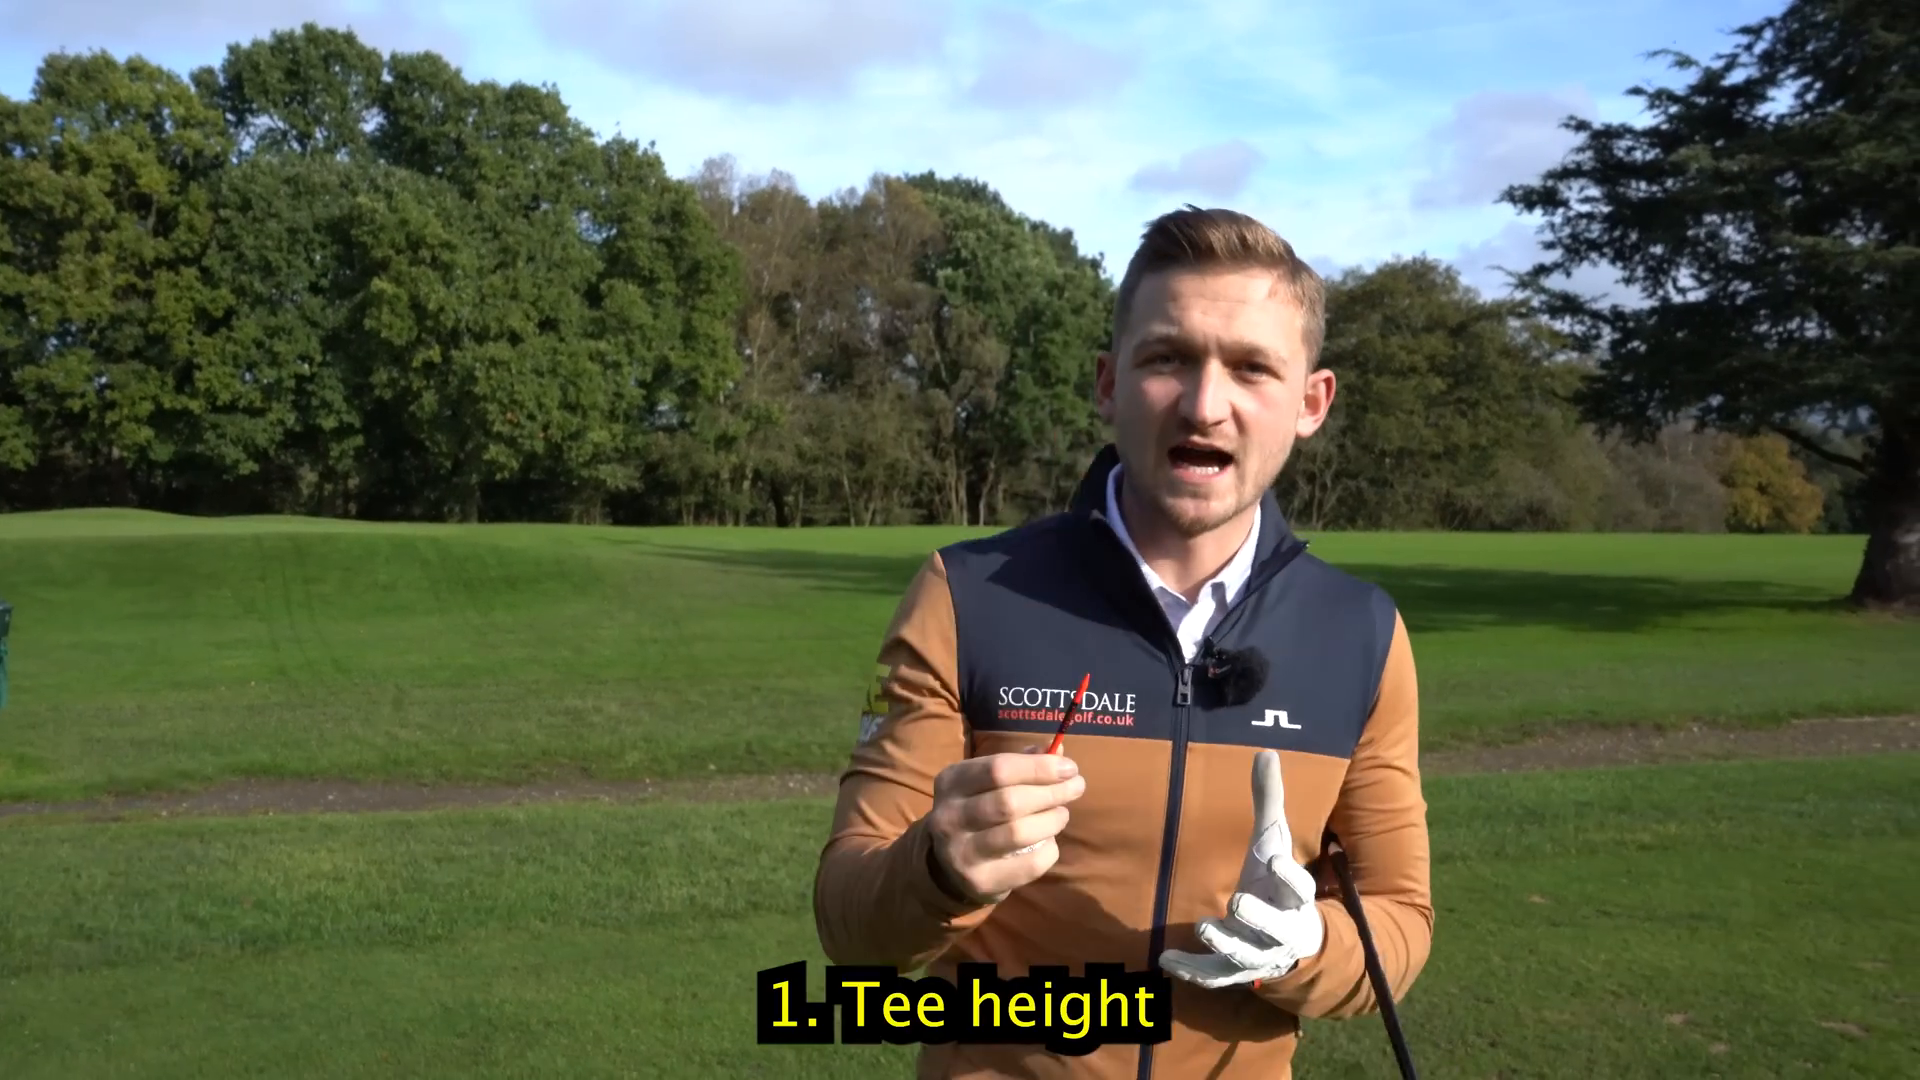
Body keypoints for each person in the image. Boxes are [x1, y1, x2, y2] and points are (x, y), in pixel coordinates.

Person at [813, 206, 1432, 1079]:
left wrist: (1306, 947)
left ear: (1310, 402)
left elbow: (1400, 922)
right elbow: (849, 923)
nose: (1205, 405)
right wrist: (940, 869)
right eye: (1167, 358)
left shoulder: (1359, 632)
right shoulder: (968, 595)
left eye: (1252, 368)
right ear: (1109, 384)